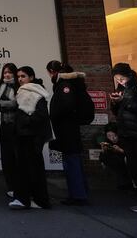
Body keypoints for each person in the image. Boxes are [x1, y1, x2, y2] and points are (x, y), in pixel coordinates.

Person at [46, 60, 89, 206]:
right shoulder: (66, 84)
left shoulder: (64, 85)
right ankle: (79, 193)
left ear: (53, 72)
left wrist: (55, 115)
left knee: (71, 163)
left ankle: (78, 195)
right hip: (69, 130)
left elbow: (67, 105)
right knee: (73, 161)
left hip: (67, 131)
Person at [9, 66, 52, 210]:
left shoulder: (36, 92)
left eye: (23, 76)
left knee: (32, 170)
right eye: (19, 76)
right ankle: (28, 198)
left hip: (30, 137)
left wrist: (24, 122)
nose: (20, 79)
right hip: (24, 136)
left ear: (31, 77)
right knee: (25, 169)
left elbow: (41, 115)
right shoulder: (23, 91)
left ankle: (36, 200)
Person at [110, 63, 137, 214]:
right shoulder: (121, 90)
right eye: (117, 79)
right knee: (134, 167)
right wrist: (114, 103)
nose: (119, 81)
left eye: (121, 78)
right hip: (127, 134)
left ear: (129, 75)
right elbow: (118, 111)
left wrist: (124, 102)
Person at [0, 63, 19, 198]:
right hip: (4, 125)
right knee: (6, 157)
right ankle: (10, 186)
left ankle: (19, 186)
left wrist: (3, 104)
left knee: (17, 157)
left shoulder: (19, 86)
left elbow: (16, 103)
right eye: (4, 73)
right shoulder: (0, 87)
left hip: (16, 126)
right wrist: (5, 104)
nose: (7, 75)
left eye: (9, 72)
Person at [98, 122, 132, 190]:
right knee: (108, 158)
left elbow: (132, 153)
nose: (112, 138)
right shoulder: (107, 141)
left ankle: (127, 183)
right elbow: (102, 157)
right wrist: (103, 150)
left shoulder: (124, 139)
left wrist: (120, 150)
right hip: (115, 160)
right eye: (109, 136)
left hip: (126, 159)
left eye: (114, 136)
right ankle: (123, 183)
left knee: (120, 160)